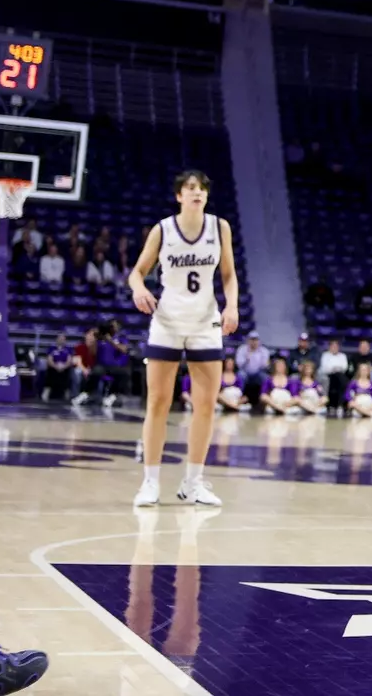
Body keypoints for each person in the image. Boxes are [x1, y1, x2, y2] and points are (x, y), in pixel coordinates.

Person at [131, 171, 238, 508]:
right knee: (158, 402)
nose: (198, 193)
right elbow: (137, 272)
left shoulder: (219, 228)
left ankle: (193, 483)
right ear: (179, 195)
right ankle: (150, 482)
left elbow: (229, 274)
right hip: (167, 322)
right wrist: (139, 288)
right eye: (191, 188)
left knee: (206, 404)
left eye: (203, 188)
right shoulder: (162, 230)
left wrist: (231, 305)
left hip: (205, 322)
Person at [41, 333, 73, 401]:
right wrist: (56, 366)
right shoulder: (52, 348)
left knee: (67, 373)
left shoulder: (68, 349)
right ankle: (46, 392)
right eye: (60, 339)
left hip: (64, 368)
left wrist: (63, 366)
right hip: (53, 367)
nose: (61, 340)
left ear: (65, 340)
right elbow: (49, 359)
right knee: (50, 372)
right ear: (57, 339)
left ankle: (67, 393)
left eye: (63, 339)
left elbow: (69, 360)